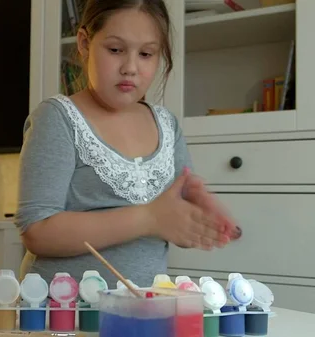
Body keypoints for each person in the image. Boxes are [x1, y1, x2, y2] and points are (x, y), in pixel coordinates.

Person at [15, 0, 240, 288]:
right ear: (84, 43)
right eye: (115, 50)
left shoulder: (166, 125)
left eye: (146, 54)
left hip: (140, 311)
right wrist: (148, 218)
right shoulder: (58, 118)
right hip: (61, 313)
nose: (130, 67)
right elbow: (37, 231)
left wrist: (198, 213)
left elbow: (173, 220)